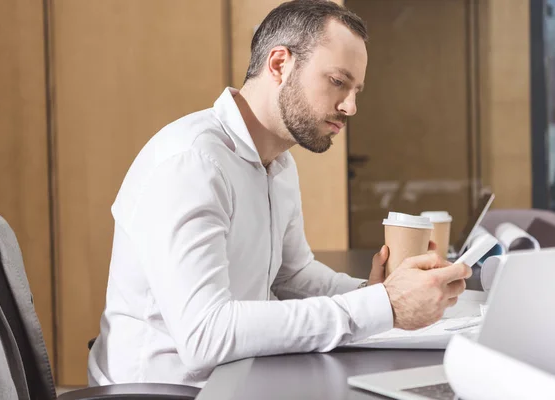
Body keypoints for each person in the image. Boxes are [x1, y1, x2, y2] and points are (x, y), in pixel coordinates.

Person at [87, 0, 471, 388]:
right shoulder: (192, 164)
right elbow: (205, 335)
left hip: (238, 378)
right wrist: (382, 306)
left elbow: (293, 275)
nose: (351, 106)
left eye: (356, 90)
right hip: (170, 392)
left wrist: (374, 292)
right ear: (279, 64)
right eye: (338, 82)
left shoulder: (279, 163)